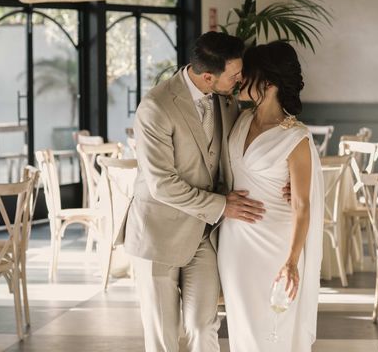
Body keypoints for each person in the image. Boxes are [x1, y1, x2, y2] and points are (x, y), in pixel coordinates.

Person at [124, 31, 267, 352]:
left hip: (204, 234)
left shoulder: (227, 98)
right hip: (157, 235)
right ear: (207, 76)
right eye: (234, 75)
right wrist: (221, 206)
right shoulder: (156, 107)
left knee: (203, 327)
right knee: (164, 338)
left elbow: (244, 147)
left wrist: (279, 177)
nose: (240, 79)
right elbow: (162, 184)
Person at [218, 41, 324, 352]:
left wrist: (291, 261)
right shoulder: (240, 119)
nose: (239, 79)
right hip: (236, 244)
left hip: (275, 245)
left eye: (245, 74)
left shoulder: (296, 137)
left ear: (268, 82)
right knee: (242, 327)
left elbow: (303, 205)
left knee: (273, 327)